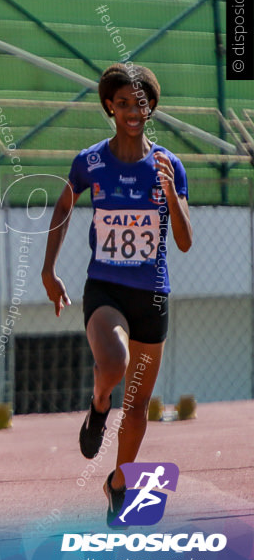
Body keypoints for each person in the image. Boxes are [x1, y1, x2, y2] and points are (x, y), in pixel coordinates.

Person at [41, 63, 192, 527]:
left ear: (151, 108)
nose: (131, 111)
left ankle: (119, 483)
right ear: (109, 106)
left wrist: (169, 191)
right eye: (122, 103)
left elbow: (184, 241)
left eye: (139, 103)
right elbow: (64, 205)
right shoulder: (90, 162)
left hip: (153, 297)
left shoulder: (169, 165)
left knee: (140, 406)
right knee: (114, 364)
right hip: (105, 289)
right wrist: (49, 270)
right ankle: (98, 404)